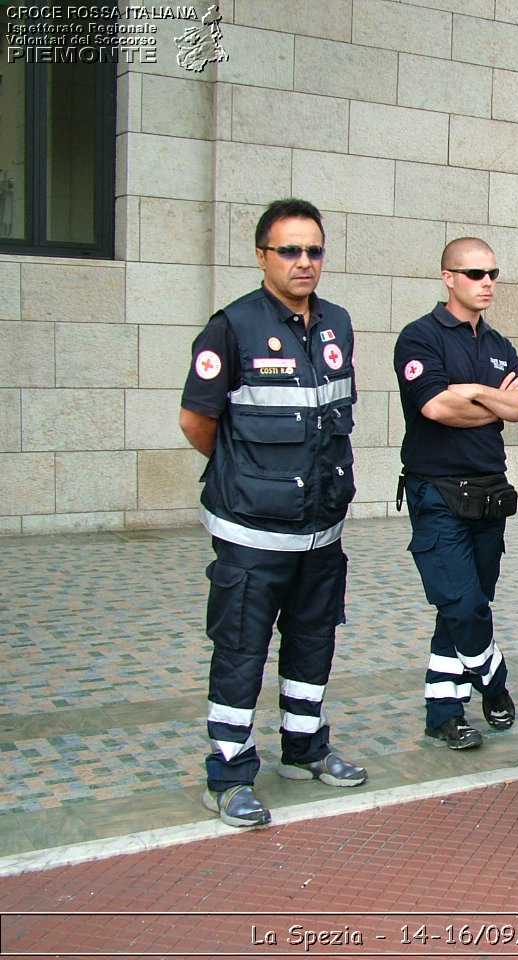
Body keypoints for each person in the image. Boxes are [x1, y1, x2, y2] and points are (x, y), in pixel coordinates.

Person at [179, 197, 367, 828]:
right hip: (252, 535)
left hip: (321, 533)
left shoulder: (337, 324)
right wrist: (246, 477)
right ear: (262, 256)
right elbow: (198, 421)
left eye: (313, 250)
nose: (303, 262)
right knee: (240, 649)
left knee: (313, 641)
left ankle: (304, 746)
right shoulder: (230, 327)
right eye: (289, 250)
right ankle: (228, 772)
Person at [393, 238, 518, 750]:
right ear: (448, 277)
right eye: (474, 273)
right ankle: (493, 681)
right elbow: (435, 409)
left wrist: (470, 391)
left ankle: (443, 711)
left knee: (465, 607)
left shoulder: (499, 345)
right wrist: (495, 400)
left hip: (490, 494)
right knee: (463, 603)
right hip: (437, 495)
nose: (487, 281)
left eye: (492, 272)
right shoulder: (420, 337)